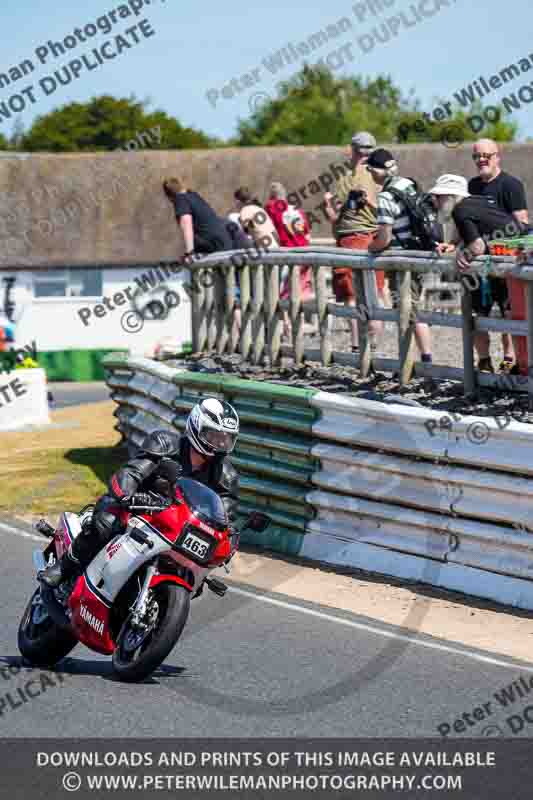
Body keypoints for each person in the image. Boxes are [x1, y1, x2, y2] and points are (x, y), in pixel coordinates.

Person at [40, 399, 240, 588]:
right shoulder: (165, 444)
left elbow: (225, 516)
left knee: (195, 570)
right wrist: (127, 496)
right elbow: (131, 473)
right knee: (106, 522)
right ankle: (65, 567)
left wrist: (227, 540)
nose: (219, 444)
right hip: (138, 509)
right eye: (213, 436)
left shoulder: (226, 475)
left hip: (177, 524)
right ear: (196, 427)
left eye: (225, 439)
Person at [430, 173, 528, 371]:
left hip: (512, 257)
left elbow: (476, 246)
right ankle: (519, 365)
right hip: (517, 252)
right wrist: (455, 246)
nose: (436, 202)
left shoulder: (461, 210)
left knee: (499, 313)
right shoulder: (479, 202)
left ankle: (504, 365)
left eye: (439, 197)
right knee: (512, 313)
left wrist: (462, 254)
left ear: (450, 196)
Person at [467, 139, 529, 373]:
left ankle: (510, 358)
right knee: (477, 313)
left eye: (486, 155)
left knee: (509, 312)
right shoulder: (471, 186)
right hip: (478, 263)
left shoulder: (511, 185)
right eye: (476, 156)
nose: (481, 160)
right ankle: (483, 360)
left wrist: (498, 242)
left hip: (504, 259)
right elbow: (463, 219)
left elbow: (521, 222)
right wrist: (452, 243)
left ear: (497, 156)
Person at [367, 148, 432, 366]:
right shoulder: (408, 184)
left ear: (377, 171)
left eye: (370, 170)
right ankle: (422, 360)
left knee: (406, 312)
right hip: (418, 253)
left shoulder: (386, 195)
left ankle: (416, 362)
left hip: (401, 260)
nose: (370, 175)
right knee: (413, 309)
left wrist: (370, 248)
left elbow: (384, 238)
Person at [323, 131, 384, 353]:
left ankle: (364, 345)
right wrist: (331, 210)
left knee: (362, 294)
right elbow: (335, 218)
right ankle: (365, 345)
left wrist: (365, 203)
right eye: (364, 149)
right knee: (361, 294)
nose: (365, 153)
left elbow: (386, 212)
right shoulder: (347, 177)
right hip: (354, 237)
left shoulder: (373, 175)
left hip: (361, 235)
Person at [265, 182, 314, 339]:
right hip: (305, 254)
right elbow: (307, 235)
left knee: (280, 293)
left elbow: (268, 229)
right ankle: (299, 325)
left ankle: (286, 326)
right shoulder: (297, 210)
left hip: (288, 254)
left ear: (272, 196)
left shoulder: (271, 207)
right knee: (299, 292)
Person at [163, 177, 234, 261]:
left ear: (168, 194)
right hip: (224, 241)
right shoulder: (193, 195)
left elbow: (186, 224)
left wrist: (190, 253)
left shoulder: (180, 199)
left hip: (213, 246)